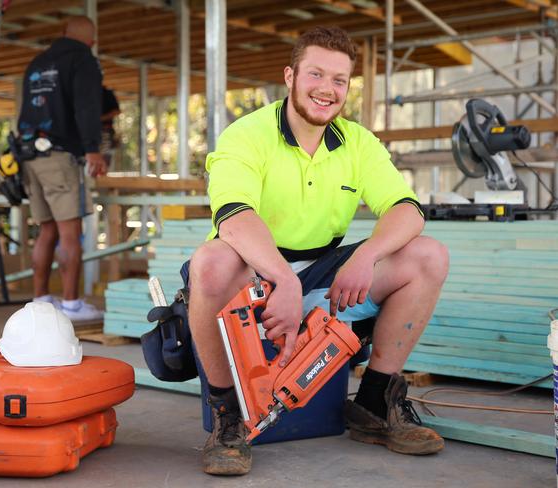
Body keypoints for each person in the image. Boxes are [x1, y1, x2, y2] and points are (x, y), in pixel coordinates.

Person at [187, 26, 449, 476]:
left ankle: (372, 404)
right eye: (315, 74)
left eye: (339, 80)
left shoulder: (358, 142)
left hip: (327, 271)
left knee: (428, 256)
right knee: (208, 263)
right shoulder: (246, 135)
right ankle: (228, 418)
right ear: (290, 76)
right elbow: (233, 217)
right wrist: (282, 278)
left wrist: (365, 256)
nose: (327, 90)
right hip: (254, 270)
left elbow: (408, 211)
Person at [17, 15, 107, 322]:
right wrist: (92, 148)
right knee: (70, 231)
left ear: (62, 31)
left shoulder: (38, 62)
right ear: (91, 41)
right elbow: (87, 105)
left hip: (28, 154)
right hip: (58, 154)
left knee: (47, 230)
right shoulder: (82, 60)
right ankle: (71, 304)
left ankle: (41, 300)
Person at [100, 86, 121, 168]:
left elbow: (116, 111)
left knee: (104, 156)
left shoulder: (106, 93)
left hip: (105, 130)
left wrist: (100, 119)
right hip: (86, 131)